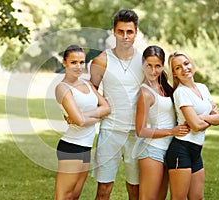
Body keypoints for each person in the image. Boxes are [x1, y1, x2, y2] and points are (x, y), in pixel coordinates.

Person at [90, 9, 144, 200]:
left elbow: (161, 90)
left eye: (129, 32)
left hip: (137, 133)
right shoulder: (102, 60)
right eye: (120, 31)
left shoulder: (145, 60)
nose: (125, 36)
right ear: (114, 31)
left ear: (136, 32)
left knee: (135, 190)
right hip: (110, 131)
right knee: (104, 189)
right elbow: (91, 92)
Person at [54, 45, 111, 200]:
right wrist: (93, 117)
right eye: (73, 62)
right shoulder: (62, 88)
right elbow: (79, 121)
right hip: (71, 146)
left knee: (74, 196)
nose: (78, 66)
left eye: (81, 62)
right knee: (63, 196)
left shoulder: (87, 84)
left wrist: (84, 116)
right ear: (64, 63)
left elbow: (107, 108)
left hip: (85, 147)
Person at [134, 45, 190, 200]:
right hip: (152, 151)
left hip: (171, 149)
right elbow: (141, 131)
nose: (153, 71)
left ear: (163, 65)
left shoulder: (166, 87)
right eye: (148, 66)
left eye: (157, 66)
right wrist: (171, 131)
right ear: (143, 65)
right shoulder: (145, 93)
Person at [165, 51, 219, 199]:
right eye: (177, 68)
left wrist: (202, 117)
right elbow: (196, 126)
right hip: (181, 150)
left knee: (197, 197)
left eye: (186, 63)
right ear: (175, 74)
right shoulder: (181, 93)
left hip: (196, 151)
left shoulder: (203, 87)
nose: (184, 68)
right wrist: (209, 118)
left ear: (191, 64)